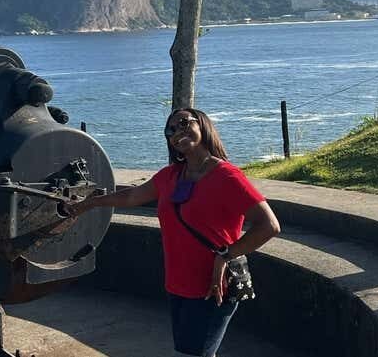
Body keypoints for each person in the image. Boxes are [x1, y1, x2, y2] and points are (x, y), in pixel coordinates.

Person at [64, 108, 281, 357]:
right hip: (178, 284)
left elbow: (269, 225)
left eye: (184, 123)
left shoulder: (227, 176)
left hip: (212, 285)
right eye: (171, 130)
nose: (178, 131)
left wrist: (226, 254)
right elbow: (132, 196)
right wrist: (87, 204)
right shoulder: (171, 176)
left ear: (203, 126)